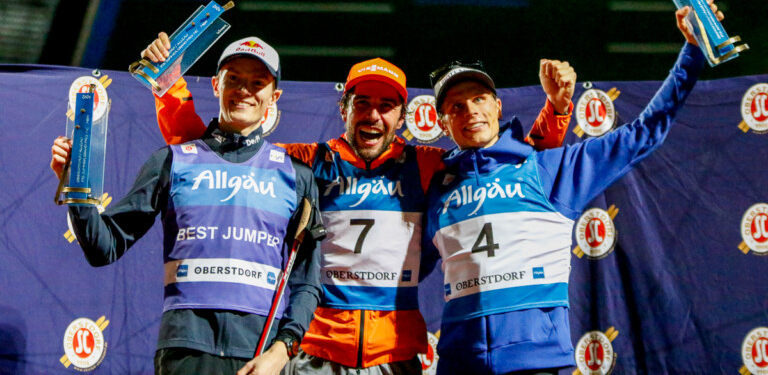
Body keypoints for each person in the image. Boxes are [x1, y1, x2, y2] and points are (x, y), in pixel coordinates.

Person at [142, 34, 576, 373]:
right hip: (313, 350)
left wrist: (555, 111)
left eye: (386, 106)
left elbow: (511, 168)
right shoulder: (305, 163)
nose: (373, 115)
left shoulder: (425, 165)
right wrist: (170, 90)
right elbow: (207, 158)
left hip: (395, 353)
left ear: (402, 117)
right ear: (344, 108)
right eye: (362, 103)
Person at [422, 0, 719, 375]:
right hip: (459, 366)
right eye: (456, 107)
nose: (470, 111)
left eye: (478, 99)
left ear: (498, 105)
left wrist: (693, 52)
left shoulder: (549, 169)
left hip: (539, 364)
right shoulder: (434, 188)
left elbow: (644, 133)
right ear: (443, 123)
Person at [50, 37, 324, 375]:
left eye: (258, 82)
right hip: (185, 354)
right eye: (233, 79)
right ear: (215, 85)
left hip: (262, 357)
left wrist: (280, 353)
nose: (244, 90)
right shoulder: (173, 161)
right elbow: (102, 248)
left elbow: (307, 283)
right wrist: (77, 184)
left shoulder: (295, 176)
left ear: (274, 97)